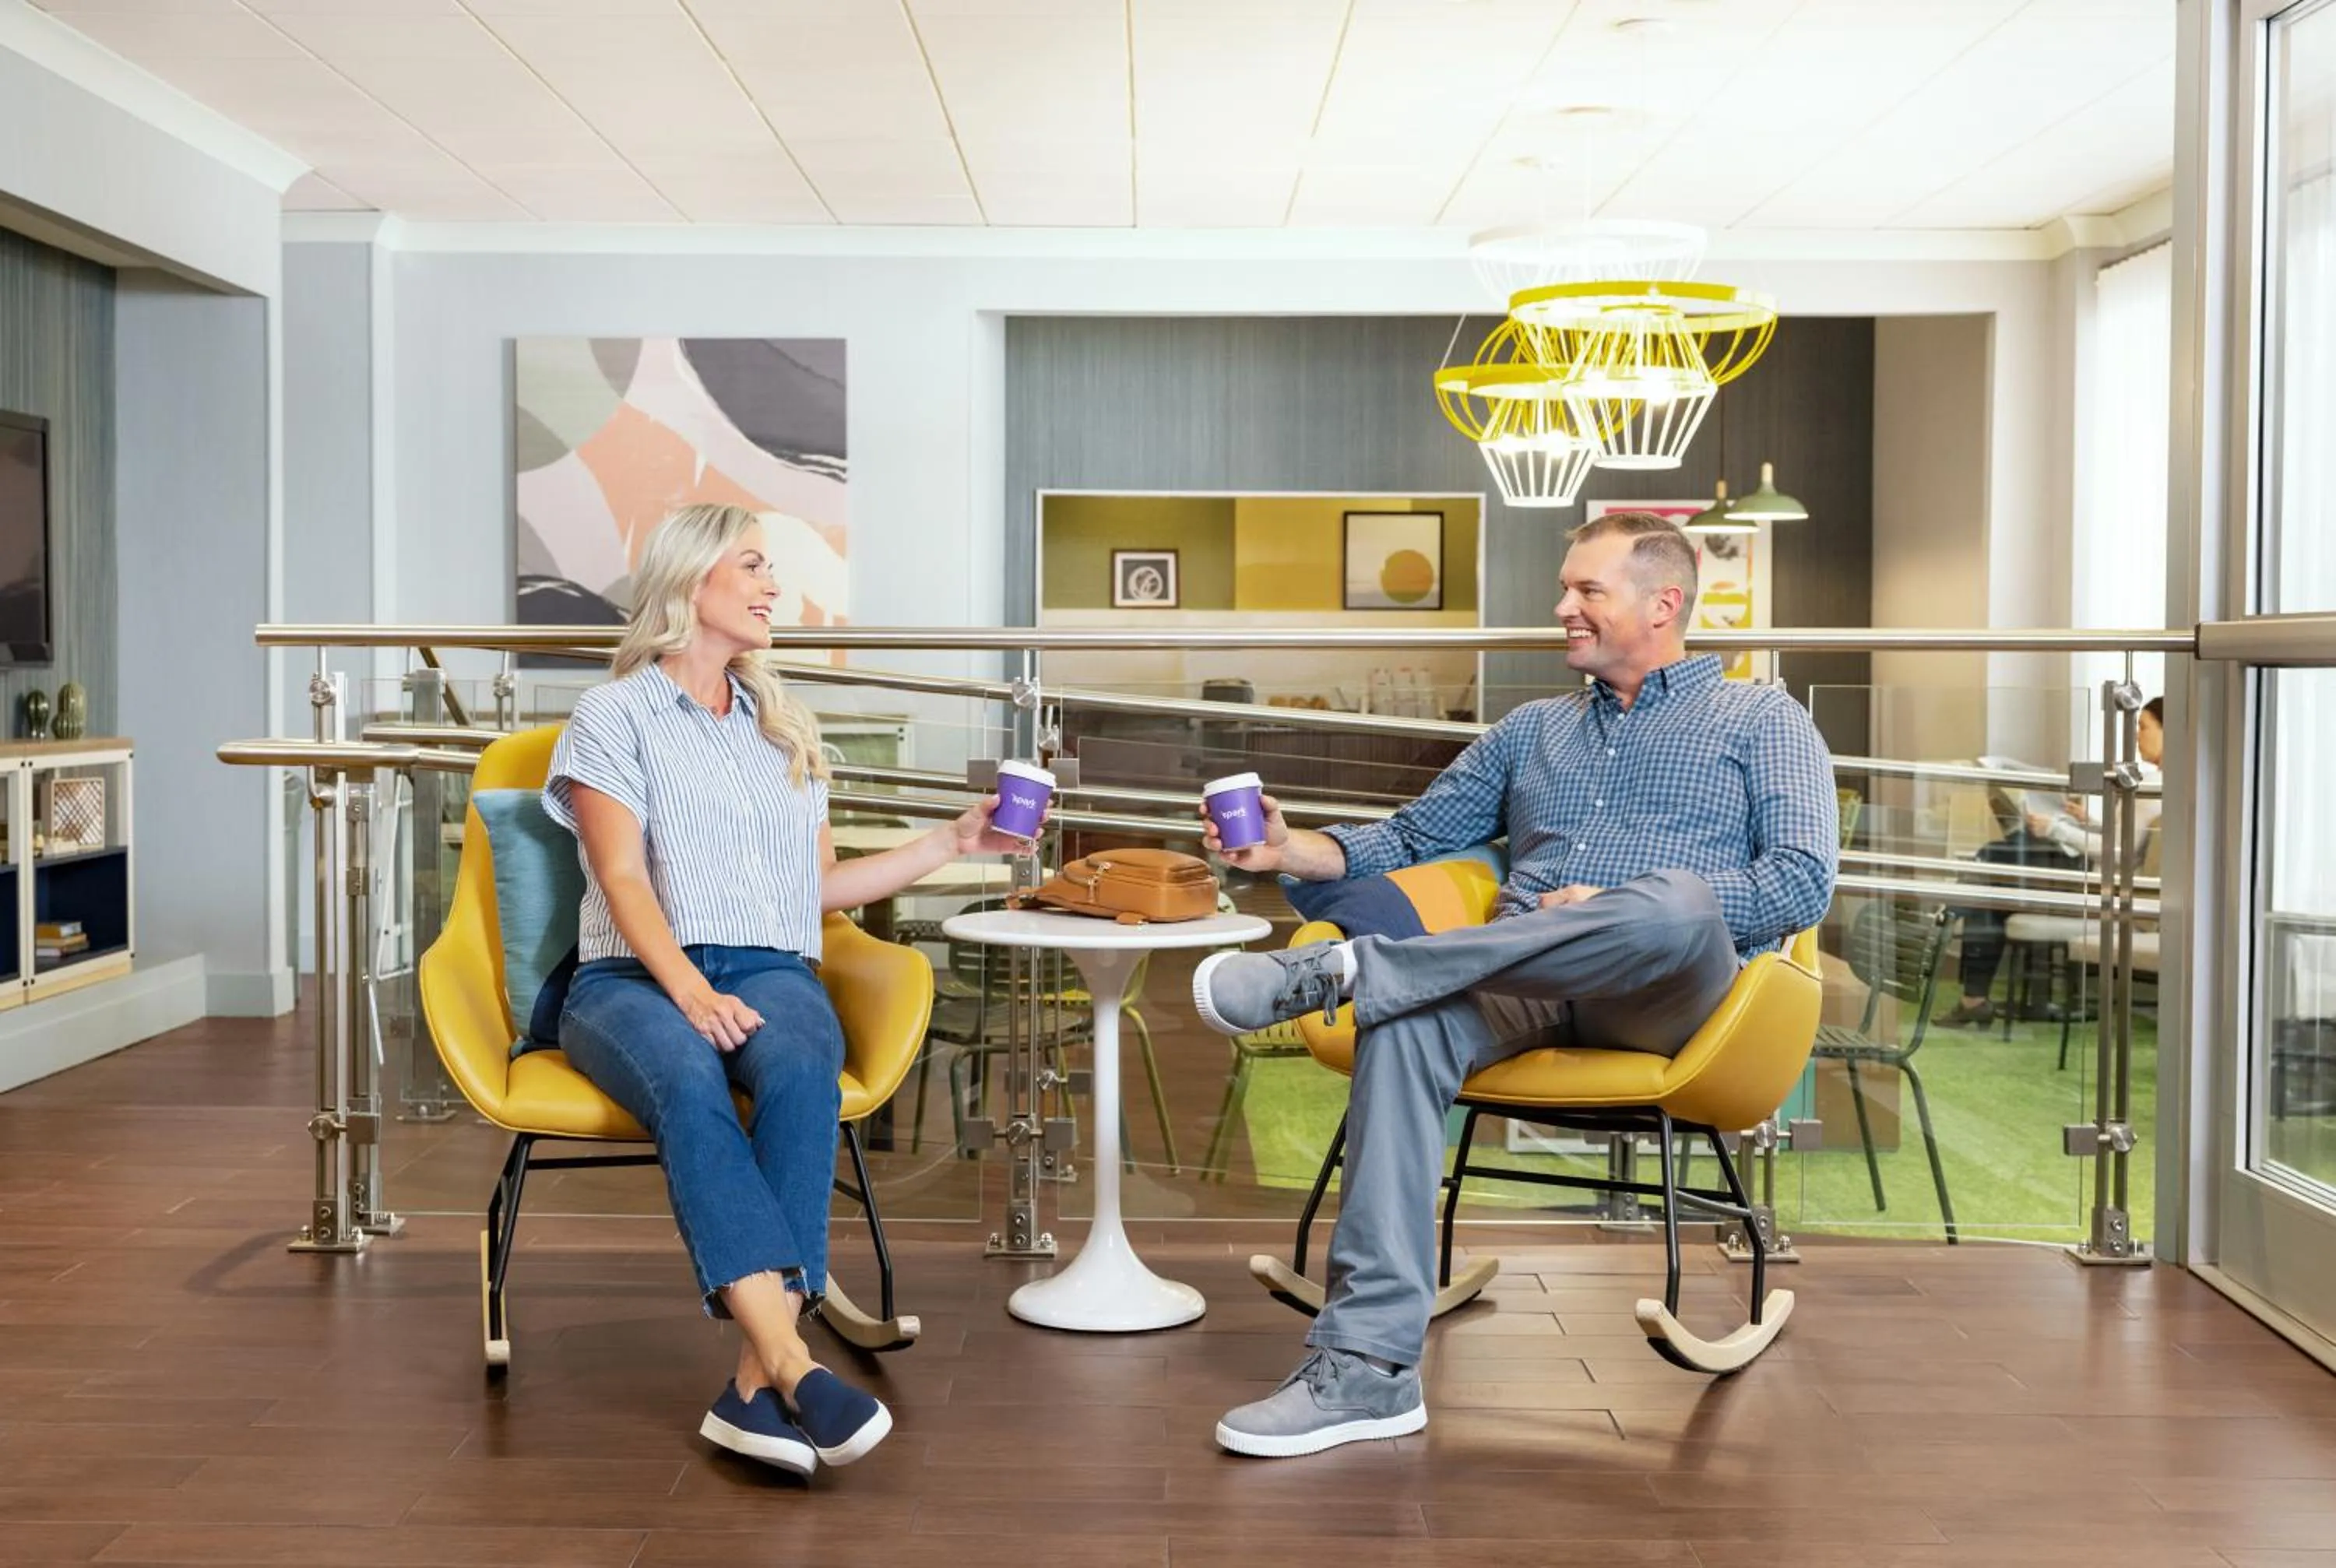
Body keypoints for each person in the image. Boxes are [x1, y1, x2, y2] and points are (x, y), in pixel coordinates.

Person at [1188, 510, 1839, 1460]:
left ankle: (1356, 973)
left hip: (1672, 991)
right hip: (1522, 974)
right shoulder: (1533, 729)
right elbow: (1410, 838)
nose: (1561, 608)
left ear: (1663, 605)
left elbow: (1799, 882)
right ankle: (1367, 1369)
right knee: (1403, 1024)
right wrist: (1285, 847)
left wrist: (1613, 902)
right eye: (1565, 588)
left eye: (1587, 591)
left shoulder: (1762, 719)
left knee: (1675, 903)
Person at [544, 503, 1039, 1479]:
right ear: (693, 582)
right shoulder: (613, 715)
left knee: (806, 1065)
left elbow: (811, 891)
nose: (776, 588)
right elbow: (623, 878)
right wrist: (687, 990)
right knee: (689, 1081)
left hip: (773, 964)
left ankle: (751, 1388)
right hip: (631, 974)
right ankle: (791, 1359)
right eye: (756, 567)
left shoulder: (782, 728)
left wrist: (951, 842)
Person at [1936, 696, 2164, 1028]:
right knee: (1994, 876)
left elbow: (2118, 854)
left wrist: (2057, 828)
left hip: (2099, 885)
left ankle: (1950, 919)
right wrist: (2086, 820)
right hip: (2094, 873)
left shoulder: (2151, 787)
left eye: (2143, 727)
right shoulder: (2154, 784)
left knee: (1994, 859)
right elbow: (2126, 842)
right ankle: (1973, 994)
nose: (2135, 736)